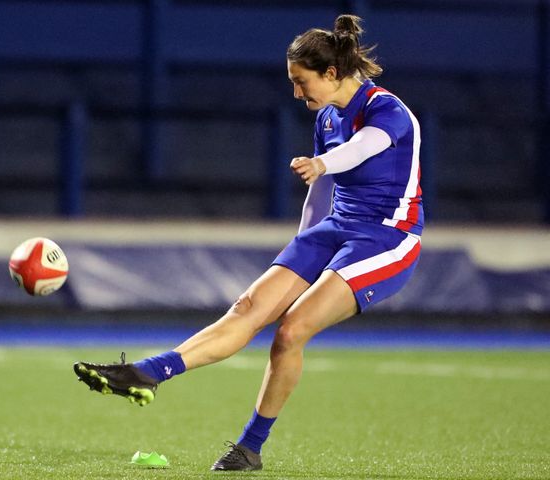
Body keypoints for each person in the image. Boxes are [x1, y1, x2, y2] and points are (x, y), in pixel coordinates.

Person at [74, 14, 423, 471]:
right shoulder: (327, 116)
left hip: (386, 238)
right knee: (247, 308)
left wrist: (322, 164)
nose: (297, 94)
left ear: (331, 73)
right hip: (333, 231)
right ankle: (148, 372)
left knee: (292, 330)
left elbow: (365, 149)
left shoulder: (386, 109)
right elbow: (321, 196)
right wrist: (302, 250)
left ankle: (249, 446)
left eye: (301, 82)